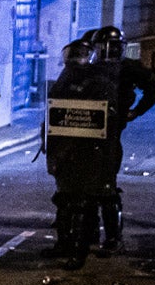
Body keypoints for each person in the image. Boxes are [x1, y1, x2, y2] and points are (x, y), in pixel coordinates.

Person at [87, 25, 155, 254]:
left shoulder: (127, 68)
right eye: (103, 48)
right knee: (85, 183)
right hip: (87, 130)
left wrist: (137, 110)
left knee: (106, 185)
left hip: (111, 132)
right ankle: (88, 231)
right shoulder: (90, 67)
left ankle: (112, 236)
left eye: (112, 48)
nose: (107, 53)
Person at [42, 40, 113, 268]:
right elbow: (52, 112)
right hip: (64, 150)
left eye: (81, 56)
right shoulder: (64, 79)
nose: (76, 61)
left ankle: (78, 252)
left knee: (82, 203)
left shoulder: (99, 82)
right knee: (64, 199)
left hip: (87, 150)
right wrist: (48, 142)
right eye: (73, 56)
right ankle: (64, 244)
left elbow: (104, 119)